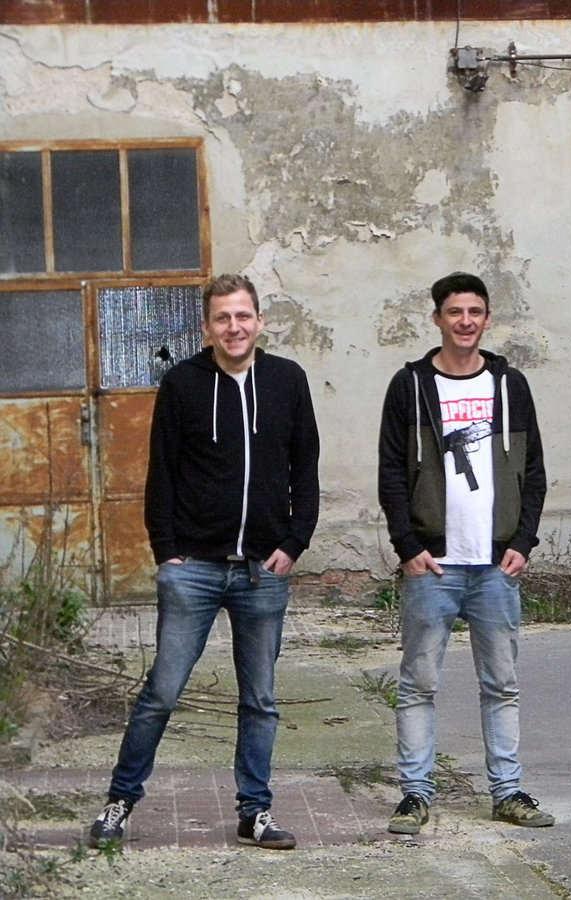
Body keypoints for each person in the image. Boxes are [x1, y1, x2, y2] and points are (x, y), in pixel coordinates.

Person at [88, 273, 321, 850]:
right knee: (162, 692)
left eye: (243, 316)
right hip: (193, 567)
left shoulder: (288, 380)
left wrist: (293, 544)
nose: (234, 327)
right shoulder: (183, 384)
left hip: (263, 571)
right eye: (222, 318)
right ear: (207, 327)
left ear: (259, 321)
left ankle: (255, 811)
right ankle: (120, 802)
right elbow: (161, 474)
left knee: (260, 699)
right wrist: (167, 553)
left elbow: (305, 469)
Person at [378, 271, 552, 834]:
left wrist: (522, 542)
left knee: (502, 685)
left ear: (487, 319)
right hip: (433, 565)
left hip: (496, 565)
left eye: (475, 312)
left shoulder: (510, 385)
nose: (465, 321)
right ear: (437, 319)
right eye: (454, 312)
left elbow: (534, 471)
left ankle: (508, 792)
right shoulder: (409, 386)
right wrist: (407, 546)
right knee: (418, 685)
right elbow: (390, 473)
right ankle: (415, 795)